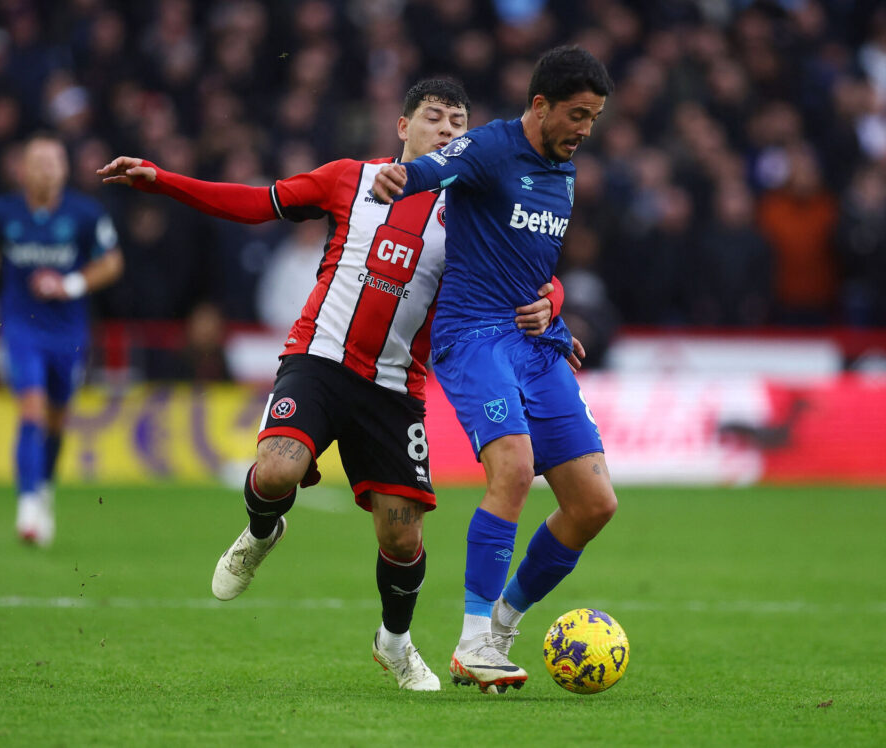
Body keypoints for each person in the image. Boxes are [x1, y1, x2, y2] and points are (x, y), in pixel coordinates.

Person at [98, 79, 569, 691]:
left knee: (402, 537)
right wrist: (163, 180)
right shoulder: (350, 177)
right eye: (435, 118)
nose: (449, 131)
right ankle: (261, 532)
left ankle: (395, 643)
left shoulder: (475, 214)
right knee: (276, 470)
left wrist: (552, 304)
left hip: (396, 388)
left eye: (460, 123)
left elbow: (533, 281)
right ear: (404, 127)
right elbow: (255, 202)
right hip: (318, 359)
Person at [371, 46, 616, 694]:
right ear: (539, 105)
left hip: (535, 344)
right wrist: (402, 177)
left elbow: (533, 262)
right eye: (577, 115)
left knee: (594, 504)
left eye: (593, 118)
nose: (585, 130)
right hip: (473, 335)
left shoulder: (563, 169)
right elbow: (432, 167)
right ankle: (472, 640)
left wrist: (551, 300)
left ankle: (503, 624)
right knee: (511, 465)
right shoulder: (488, 148)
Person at [0, 131, 123, 547]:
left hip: (69, 332)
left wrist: (69, 285)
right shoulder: (2, 211)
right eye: (39, 162)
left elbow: (111, 263)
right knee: (31, 409)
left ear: (65, 169)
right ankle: (29, 505)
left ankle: (44, 488)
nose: (48, 169)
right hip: (20, 326)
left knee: (55, 420)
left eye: (55, 162)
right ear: (24, 169)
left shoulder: (85, 213)